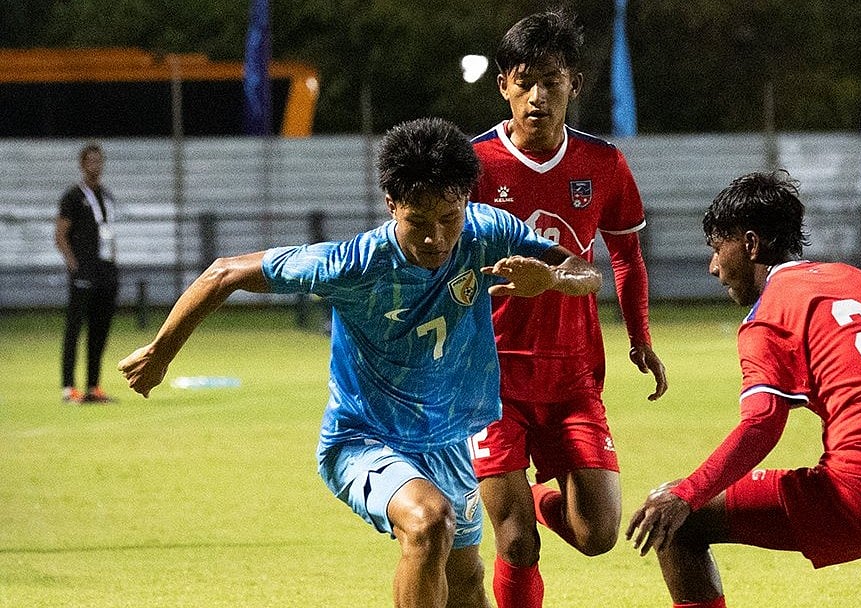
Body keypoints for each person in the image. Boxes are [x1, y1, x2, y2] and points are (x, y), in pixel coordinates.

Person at [117, 117, 602, 608]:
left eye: (448, 218)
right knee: (428, 520)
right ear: (392, 205)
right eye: (418, 221)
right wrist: (160, 353)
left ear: (466, 202)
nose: (436, 238)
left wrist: (555, 280)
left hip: (450, 440)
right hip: (363, 439)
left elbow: (585, 270)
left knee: (466, 581)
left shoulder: (486, 231)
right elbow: (225, 272)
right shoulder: (353, 264)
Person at [625, 170, 861, 608]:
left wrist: (687, 494)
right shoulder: (860, 280)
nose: (714, 267)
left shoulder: (769, 314)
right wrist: (860, 386)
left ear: (750, 244)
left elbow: (762, 425)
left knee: (678, 523)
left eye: (717, 248)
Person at [469, 10, 667, 608]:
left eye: (551, 81)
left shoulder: (601, 163)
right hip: (491, 381)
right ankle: (519, 515)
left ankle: (539, 497)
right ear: (503, 83)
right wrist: (499, 287)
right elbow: (441, 266)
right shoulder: (473, 165)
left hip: (575, 377)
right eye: (525, 81)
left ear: (573, 85)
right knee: (516, 544)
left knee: (599, 533)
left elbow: (627, 257)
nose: (538, 96)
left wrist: (640, 338)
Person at [55, 142, 119, 404]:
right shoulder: (73, 196)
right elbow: (60, 235)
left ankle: (93, 386)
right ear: (82, 165)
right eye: (90, 161)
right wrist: (73, 264)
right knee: (74, 330)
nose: (96, 165)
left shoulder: (107, 195)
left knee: (99, 331)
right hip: (84, 272)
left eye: (99, 160)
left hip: (106, 271)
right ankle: (68, 388)